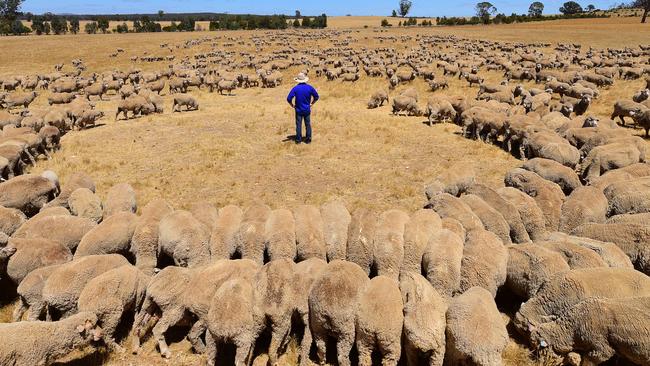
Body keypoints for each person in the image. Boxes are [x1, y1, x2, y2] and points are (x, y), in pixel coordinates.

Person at [287, 73, 319, 144]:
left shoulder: (295, 88)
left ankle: (298, 140)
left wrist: (292, 105)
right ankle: (308, 139)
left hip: (298, 109)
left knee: (298, 124)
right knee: (307, 124)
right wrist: (311, 103)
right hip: (307, 109)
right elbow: (316, 96)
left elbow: (289, 98)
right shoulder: (310, 87)